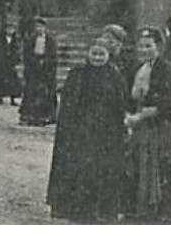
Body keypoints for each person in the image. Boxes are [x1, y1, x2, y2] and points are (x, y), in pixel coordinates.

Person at [47, 38, 128, 224]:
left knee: (102, 169)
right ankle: (76, 207)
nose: (98, 58)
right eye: (94, 53)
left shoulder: (115, 76)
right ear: (88, 54)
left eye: (102, 54)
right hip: (80, 131)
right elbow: (68, 103)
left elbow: (120, 104)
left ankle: (101, 209)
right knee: (80, 167)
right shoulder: (77, 74)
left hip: (105, 132)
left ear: (108, 56)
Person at [125, 28, 171, 225]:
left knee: (160, 168)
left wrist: (140, 116)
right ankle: (139, 211)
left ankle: (162, 215)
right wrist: (128, 114)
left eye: (148, 46)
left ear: (158, 47)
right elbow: (127, 96)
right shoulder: (135, 68)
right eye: (141, 46)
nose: (144, 50)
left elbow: (166, 103)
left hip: (159, 127)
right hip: (138, 127)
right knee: (137, 166)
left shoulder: (166, 70)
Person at [20, 17, 58, 126]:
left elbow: (53, 56)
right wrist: (33, 62)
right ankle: (29, 116)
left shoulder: (50, 40)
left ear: (45, 28)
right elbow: (26, 54)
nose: (39, 29)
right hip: (33, 68)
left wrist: (46, 63)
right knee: (31, 91)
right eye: (37, 26)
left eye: (41, 27)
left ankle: (45, 116)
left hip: (46, 70)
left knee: (45, 93)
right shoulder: (30, 39)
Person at [0, 25, 22, 105]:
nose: (10, 30)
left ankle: (12, 99)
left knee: (13, 82)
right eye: (8, 29)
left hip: (11, 63)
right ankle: (0, 98)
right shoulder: (0, 39)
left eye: (12, 29)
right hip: (3, 62)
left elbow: (17, 51)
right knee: (1, 80)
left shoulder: (16, 40)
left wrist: (16, 61)